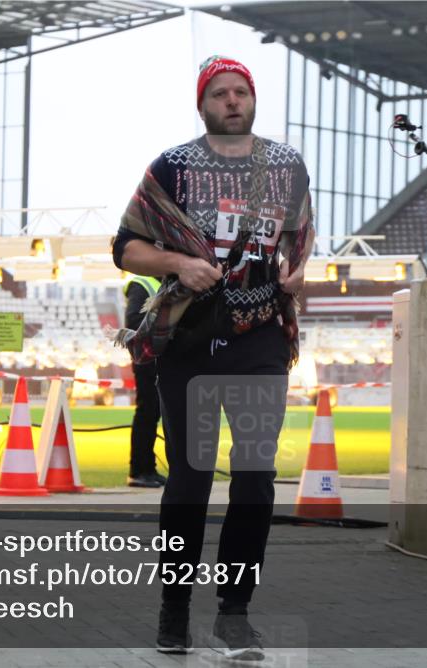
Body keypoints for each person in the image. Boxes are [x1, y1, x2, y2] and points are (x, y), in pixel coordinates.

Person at [112, 55, 314, 661]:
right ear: (202, 104)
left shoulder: (287, 167)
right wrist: (180, 263)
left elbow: (300, 241)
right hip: (191, 342)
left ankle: (234, 613)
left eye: (241, 92)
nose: (232, 101)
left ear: (253, 101)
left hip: (259, 341)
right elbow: (125, 247)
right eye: (220, 93)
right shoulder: (170, 168)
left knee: (255, 479)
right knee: (191, 480)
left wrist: (297, 275)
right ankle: (174, 611)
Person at [124, 273, 168, 488]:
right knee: (148, 412)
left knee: (155, 413)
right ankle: (140, 470)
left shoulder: (164, 281)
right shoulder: (143, 283)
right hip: (148, 359)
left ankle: (147, 468)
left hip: (163, 358)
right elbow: (133, 321)